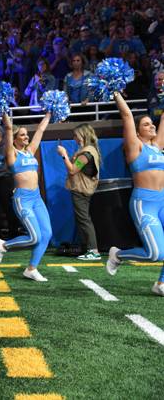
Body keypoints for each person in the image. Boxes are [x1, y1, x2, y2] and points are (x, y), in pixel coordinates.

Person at [106, 94, 164, 295]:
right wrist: (115, 92)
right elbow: (127, 115)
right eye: (146, 124)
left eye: (151, 123)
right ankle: (118, 255)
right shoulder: (135, 147)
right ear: (138, 132)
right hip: (144, 203)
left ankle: (161, 284)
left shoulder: (157, 147)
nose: (152, 126)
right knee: (156, 253)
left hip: (162, 201)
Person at [0, 112, 53, 282]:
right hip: (23, 199)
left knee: (47, 234)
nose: (27, 137)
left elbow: (40, 130)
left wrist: (49, 113)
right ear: (15, 139)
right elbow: (8, 128)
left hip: (37, 198)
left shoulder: (30, 152)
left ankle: (31, 269)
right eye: (23, 135)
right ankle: (3, 245)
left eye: (27, 134)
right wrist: (5, 115)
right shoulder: (13, 154)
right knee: (35, 237)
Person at [57, 124, 101, 260]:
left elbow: (72, 170)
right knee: (82, 219)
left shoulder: (86, 153)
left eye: (76, 135)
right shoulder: (87, 150)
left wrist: (64, 155)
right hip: (82, 188)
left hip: (81, 189)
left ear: (83, 135)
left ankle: (94, 251)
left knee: (84, 219)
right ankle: (88, 248)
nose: (74, 138)